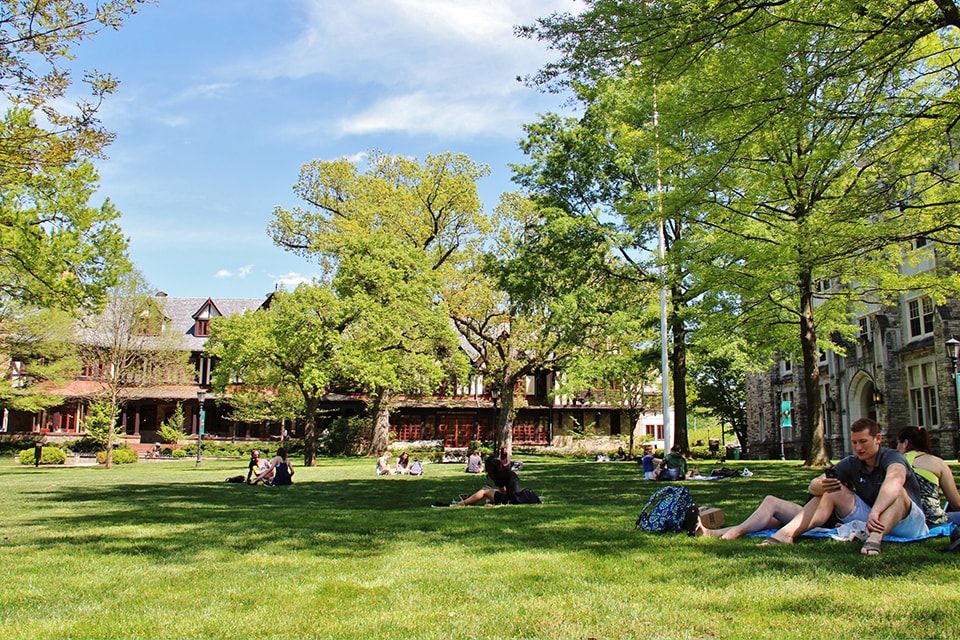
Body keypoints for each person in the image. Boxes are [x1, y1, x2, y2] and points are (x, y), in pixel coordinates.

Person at [761, 418, 928, 555]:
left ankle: (874, 540)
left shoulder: (893, 456)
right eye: (854, 442)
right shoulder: (852, 462)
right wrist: (823, 485)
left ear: (878, 439)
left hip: (908, 522)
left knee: (899, 492)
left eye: (863, 442)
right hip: (873, 518)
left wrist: (876, 511)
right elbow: (813, 486)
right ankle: (786, 534)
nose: (858, 448)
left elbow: (895, 480)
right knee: (832, 490)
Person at [896, 426, 960, 526]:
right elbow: (956, 503)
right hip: (932, 521)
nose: (897, 447)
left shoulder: (893, 463)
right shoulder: (937, 463)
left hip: (900, 522)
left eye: (898, 443)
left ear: (906, 443)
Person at [450, 456, 539, 506]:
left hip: (510, 500)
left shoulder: (500, 475)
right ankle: (463, 503)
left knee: (484, 490)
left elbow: (503, 492)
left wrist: (492, 493)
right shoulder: (508, 472)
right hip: (517, 497)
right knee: (489, 491)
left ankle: (461, 504)